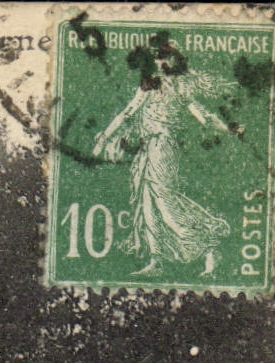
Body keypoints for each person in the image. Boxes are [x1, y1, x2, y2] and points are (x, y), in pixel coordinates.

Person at [92, 47, 242, 277]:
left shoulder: (182, 87)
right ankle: (156, 260)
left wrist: (228, 128)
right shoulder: (149, 85)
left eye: (164, 58)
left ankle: (208, 241)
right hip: (147, 148)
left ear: (173, 60)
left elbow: (203, 116)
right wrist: (103, 138)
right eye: (157, 59)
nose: (160, 63)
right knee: (147, 202)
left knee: (165, 200)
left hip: (164, 146)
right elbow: (127, 113)